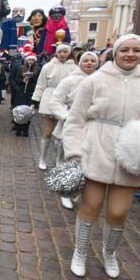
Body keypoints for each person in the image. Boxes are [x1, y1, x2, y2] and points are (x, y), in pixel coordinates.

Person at [63, 34, 140, 278]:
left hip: (133, 154)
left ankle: (109, 252)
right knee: (90, 206)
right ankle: (80, 252)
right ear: (115, 52)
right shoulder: (95, 81)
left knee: (118, 211)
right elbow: (76, 118)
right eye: (125, 49)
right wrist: (74, 151)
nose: (130, 54)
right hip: (97, 150)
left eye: (136, 50)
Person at [48, 51, 99, 209]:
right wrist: (65, 116)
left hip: (92, 126)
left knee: (87, 159)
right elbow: (55, 100)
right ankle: (65, 191)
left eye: (92, 60)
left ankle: (77, 189)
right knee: (65, 159)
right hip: (71, 125)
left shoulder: (102, 81)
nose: (89, 63)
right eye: (86, 60)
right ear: (79, 62)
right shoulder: (69, 80)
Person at [31, 43, 76, 170]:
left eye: (65, 52)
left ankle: (59, 160)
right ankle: (42, 158)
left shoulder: (74, 68)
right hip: (50, 98)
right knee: (48, 131)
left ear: (69, 53)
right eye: (60, 52)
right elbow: (41, 84)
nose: (62, 54)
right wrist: (35, 100)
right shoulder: (48, 66)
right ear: (56, 53)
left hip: (66, 101)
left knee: (62, 133)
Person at [13, 51, 40, 136]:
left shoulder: (37, 69)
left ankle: (25, 130)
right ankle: (18, 128)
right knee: (19, 110)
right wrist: (23, 80)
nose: (30, 62)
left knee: (28, 111)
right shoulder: (21, 68)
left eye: (32, 60)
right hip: (21, 91)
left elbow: (38, 81)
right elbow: (16, 79)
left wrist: (31, 79)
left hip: (30, 92)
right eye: (29, 60)